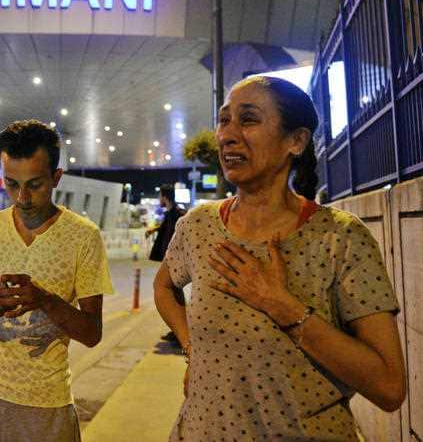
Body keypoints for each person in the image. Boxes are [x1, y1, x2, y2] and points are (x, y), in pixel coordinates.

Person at [153, 76, 406, 440]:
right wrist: (193, 347)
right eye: (224, 120)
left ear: (296, 140)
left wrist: (283, 306)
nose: (227, 134)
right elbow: (164, 286)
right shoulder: (197, 226)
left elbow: (389, 386)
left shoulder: (340, 238)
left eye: (249, 119)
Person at [0, 120, 114, 442]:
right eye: (11, 184)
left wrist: (45, 300)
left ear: (56, 177)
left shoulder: (83, 236)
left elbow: (92, 333)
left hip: (46, 407)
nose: (21, 197)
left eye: (35, 184)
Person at [145, 184, 185, 343]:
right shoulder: (170, 213)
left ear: (164, 196)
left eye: (160, 196)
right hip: (169, 259)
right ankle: (177, 330)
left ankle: (180, 331)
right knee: (174, 291)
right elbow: (164, 228)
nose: (158, 199)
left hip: (174, 260)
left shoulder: (176, 214)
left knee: (171, 291)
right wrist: (153, 230)